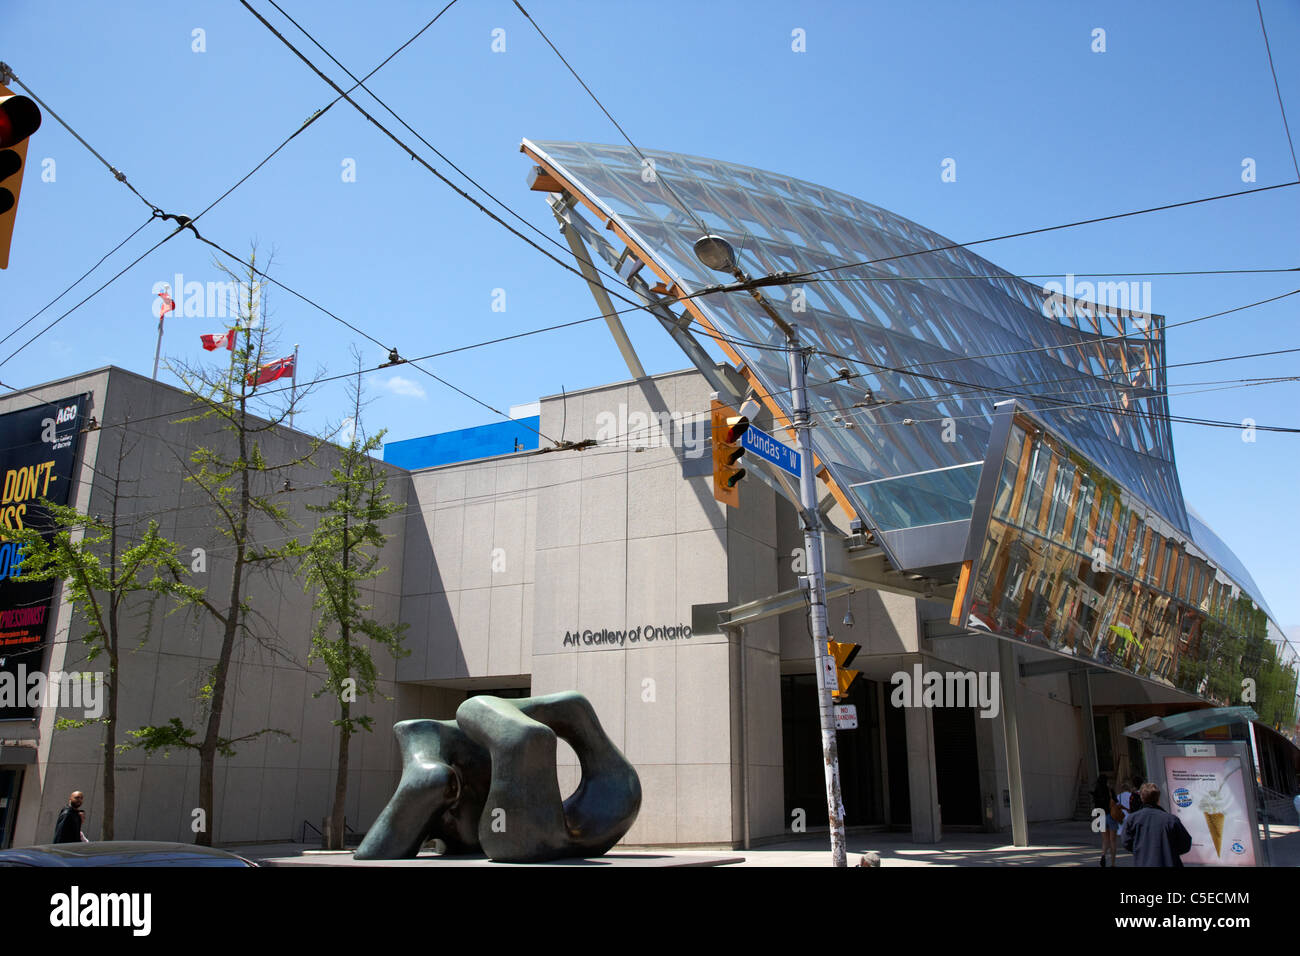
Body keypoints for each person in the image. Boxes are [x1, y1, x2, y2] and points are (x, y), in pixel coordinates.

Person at [1123, 782, 1192, 867]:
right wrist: (1170, 851)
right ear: (1158, 798)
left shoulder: (1132, 819)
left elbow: (1126, 843)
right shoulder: (1171, 820)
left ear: (1141, 798)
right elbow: (1185, 844)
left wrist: (1141, 850)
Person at [1093, 774, 1119, 867]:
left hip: (1101, 816)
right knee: (1113, 840)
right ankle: (1113, 863)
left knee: (1105, 840)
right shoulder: (1109, 790)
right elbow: (1116, 801)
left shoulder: (1096, 791)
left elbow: (1095, 806)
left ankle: (1103, 855)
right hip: (1111, 815)